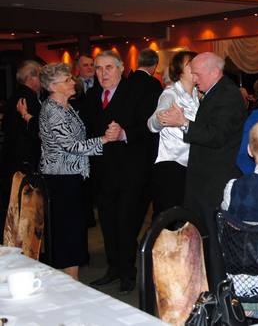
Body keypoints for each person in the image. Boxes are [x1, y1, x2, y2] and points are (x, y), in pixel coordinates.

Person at [157, 52, 247, 291]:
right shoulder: (216, 92)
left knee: (214, 242)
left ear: (214, 72)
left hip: (214, 183)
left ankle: (218, 292)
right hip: (204, 181)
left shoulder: (227, 95)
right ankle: (208, 288)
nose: (194, 79)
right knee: (204, 237)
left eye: (197, 74)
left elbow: (216, 136)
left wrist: (184, 123)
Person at [36, 63, 119, 279]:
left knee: (73, 229)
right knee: (68, 231)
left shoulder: (66, 106)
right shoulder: (53, 110)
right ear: (53, 86)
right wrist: (104, 140)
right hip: (60, 178)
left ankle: (70, 279)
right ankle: (69, 281)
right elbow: (71, 146)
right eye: (67, 80)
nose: (73, 82)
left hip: (72, 175)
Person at [82, 50, 153, 294]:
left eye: (109, 67)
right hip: (102, 173)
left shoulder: (136, 92)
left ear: (121, 68)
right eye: (98, 68)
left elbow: (149, 128)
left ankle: (127, 273)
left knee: (126, 223)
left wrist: (124, 133)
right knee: (108, 224)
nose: (103, 73)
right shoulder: (93, 95)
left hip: (130, 172)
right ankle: (113, 268)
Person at [147, 51, 199, 216]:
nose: (196, 67)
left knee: (187, 217)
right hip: (172, 165)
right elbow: (151, 124)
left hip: (192, 166)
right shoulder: (170, 93)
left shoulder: (198, 94)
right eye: (190, 64)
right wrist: (161, 118)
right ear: (179, 70)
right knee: (169, 217)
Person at [1, 60, 43, 238]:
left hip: (12, 158)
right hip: (25, 161)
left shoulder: (14, 96)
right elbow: (34, 131)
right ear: (32, 77)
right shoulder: (29, 98)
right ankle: (24, 242)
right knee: (25, 207)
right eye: (40, 76)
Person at [128, 49, 163, 224]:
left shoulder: (127, 82)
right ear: (155, 65)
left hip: (129, 139)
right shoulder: (154, 84)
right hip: (148, 140)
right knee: (148, 185)